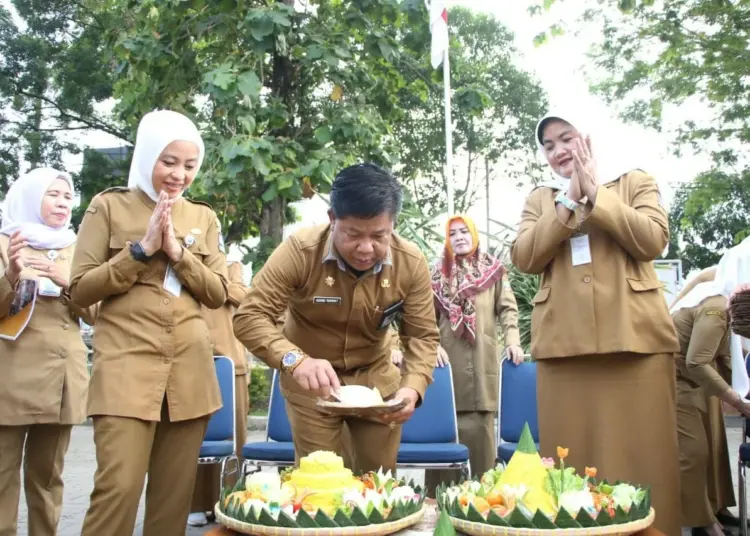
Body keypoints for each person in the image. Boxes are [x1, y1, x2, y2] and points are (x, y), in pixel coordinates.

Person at [511, 111, 682, 536]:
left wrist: (597, 196)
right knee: (571, 470)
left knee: (646, 462)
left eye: (566, 138)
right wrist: (567, 200)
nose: (557, 151)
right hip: (564, 351)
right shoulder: (541, 198)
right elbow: (525, 257)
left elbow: (652, 239)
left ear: (590, 134)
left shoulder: (634, 180)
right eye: (548, 146)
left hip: (636, 343)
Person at [69, 109, 228, 536]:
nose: (179, 174)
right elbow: (79, 290)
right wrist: (139, 252)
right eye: (169, 162)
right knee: (117, 489)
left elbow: (218, 292)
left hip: (189, 375)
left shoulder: (202, 217)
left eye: (190, 166)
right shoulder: (108, 206)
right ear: (146, 157)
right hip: (125, 367)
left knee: (172, 501)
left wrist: (179, 253)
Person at [233, 163, 439, 473]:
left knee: (378, 482)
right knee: (322, 482)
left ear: (393, 224)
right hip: (311, 383)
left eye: (379, 235)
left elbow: (422, 336)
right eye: (353, 234)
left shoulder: (411, 263)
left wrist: (412, 387)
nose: (366, 248)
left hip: (377, 388)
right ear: (332, 220)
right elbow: (250, 316)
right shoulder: (300, 251)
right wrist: (294, 361)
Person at [0, 168, 97, 536]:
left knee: (48, 478)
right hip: (10, 375)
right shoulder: (5, 241)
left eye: (67, 196)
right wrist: (10, 274)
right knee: (2, 476)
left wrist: (66, 279)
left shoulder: (77, 248)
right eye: (52, 194)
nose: (62, 203)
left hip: (61, 378)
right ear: (29, 195)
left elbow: (96, 312)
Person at [421, 214, 521, 492]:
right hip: (446, 367)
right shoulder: (436, 274)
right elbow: (424, 318)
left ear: (474, 235)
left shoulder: (494, 270)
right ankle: (440, 505)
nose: (460, 237)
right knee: (446, 438)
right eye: (453, 234)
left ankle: (484, 508)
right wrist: (433, 345)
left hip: (482, 365)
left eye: (465, 232)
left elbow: (508, 309)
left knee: (483, 441)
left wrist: (513, 340)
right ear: (447, 239)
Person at [670, 243, 750, 535]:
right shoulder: (717, 309)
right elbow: (696, 362)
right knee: (693, 453)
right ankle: (702, 524)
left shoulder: (723, 306)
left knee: (711, 451)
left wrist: (744, 392)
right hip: (675, 381)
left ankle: (711, 511)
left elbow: (725, 356)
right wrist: (735, 400)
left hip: (694, 383)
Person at [188, 259, 250, 527]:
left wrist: (220, 283)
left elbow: (245, 298)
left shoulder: (231, 266)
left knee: (235, 437)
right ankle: (195, 504)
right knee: (192, 437)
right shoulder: (181, 260)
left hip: (231, 362)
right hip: (190, 358)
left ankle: (230, 499)